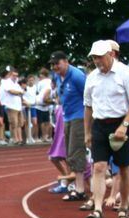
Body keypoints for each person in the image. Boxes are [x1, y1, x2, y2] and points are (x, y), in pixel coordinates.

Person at [83, 39, 129, 218]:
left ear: (111, 54)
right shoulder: (92, 77)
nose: (98, 61)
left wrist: (124, 125)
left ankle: (124, 204)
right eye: (94, 58)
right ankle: (98, 209)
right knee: (99, 167)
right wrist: (87, 132)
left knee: (124, 167)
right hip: (100, 125)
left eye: (100, 57)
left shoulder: (125, 73)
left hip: (121, 123)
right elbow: (88, 106)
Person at [51, 50, 88, 199]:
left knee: (76, 151)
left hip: (79, 117)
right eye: (53, 64)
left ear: (66, 61)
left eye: (57, 63)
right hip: (68, 117)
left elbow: (88, 95)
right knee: (70, 153)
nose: (55, 66)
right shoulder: (58, 76)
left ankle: (80, 190)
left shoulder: (77, 76)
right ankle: (77, 186)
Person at [0, 67, 24, 144]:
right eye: (13, 75)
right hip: (11, 105)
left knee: (20, 123)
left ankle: (20, 139)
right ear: (10, 75)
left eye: (16, 76)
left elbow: (21, 91)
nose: (15, 77)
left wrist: (19, 92)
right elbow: (11, 91)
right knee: (14, 123)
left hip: (18, 105)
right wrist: (19, 92)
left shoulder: (16, 83)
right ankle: (15, 139)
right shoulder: (6, 82)